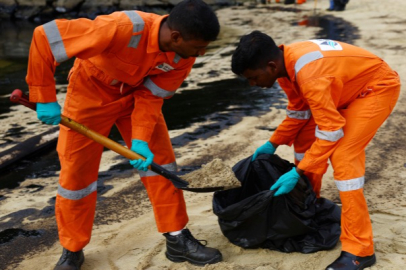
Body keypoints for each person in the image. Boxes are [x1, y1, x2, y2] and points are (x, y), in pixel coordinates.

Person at [26, 0, 222, 269]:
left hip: (135, 99)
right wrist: (44, 96)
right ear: (176, 36)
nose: (201, 54)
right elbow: (46, 37)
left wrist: (140, 139)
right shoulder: (121, 28)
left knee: (161, 164)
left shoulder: (182, 58)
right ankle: (72, 248)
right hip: (89, 95)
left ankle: (177, 238)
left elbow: (152, 96)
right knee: (76, 177)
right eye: (199, 47)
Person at [231, 31, 400, 270]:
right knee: (303, 140)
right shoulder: (284, 66)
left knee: (343, 156)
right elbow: (299, 113)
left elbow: (331, 131)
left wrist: (298, 172)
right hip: (344, 88)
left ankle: (360, 251)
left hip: (374, 88)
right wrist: (274, 142)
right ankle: (310, 206)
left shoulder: (309, 75)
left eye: (253, 77)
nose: (253, 84)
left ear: (270, 66)